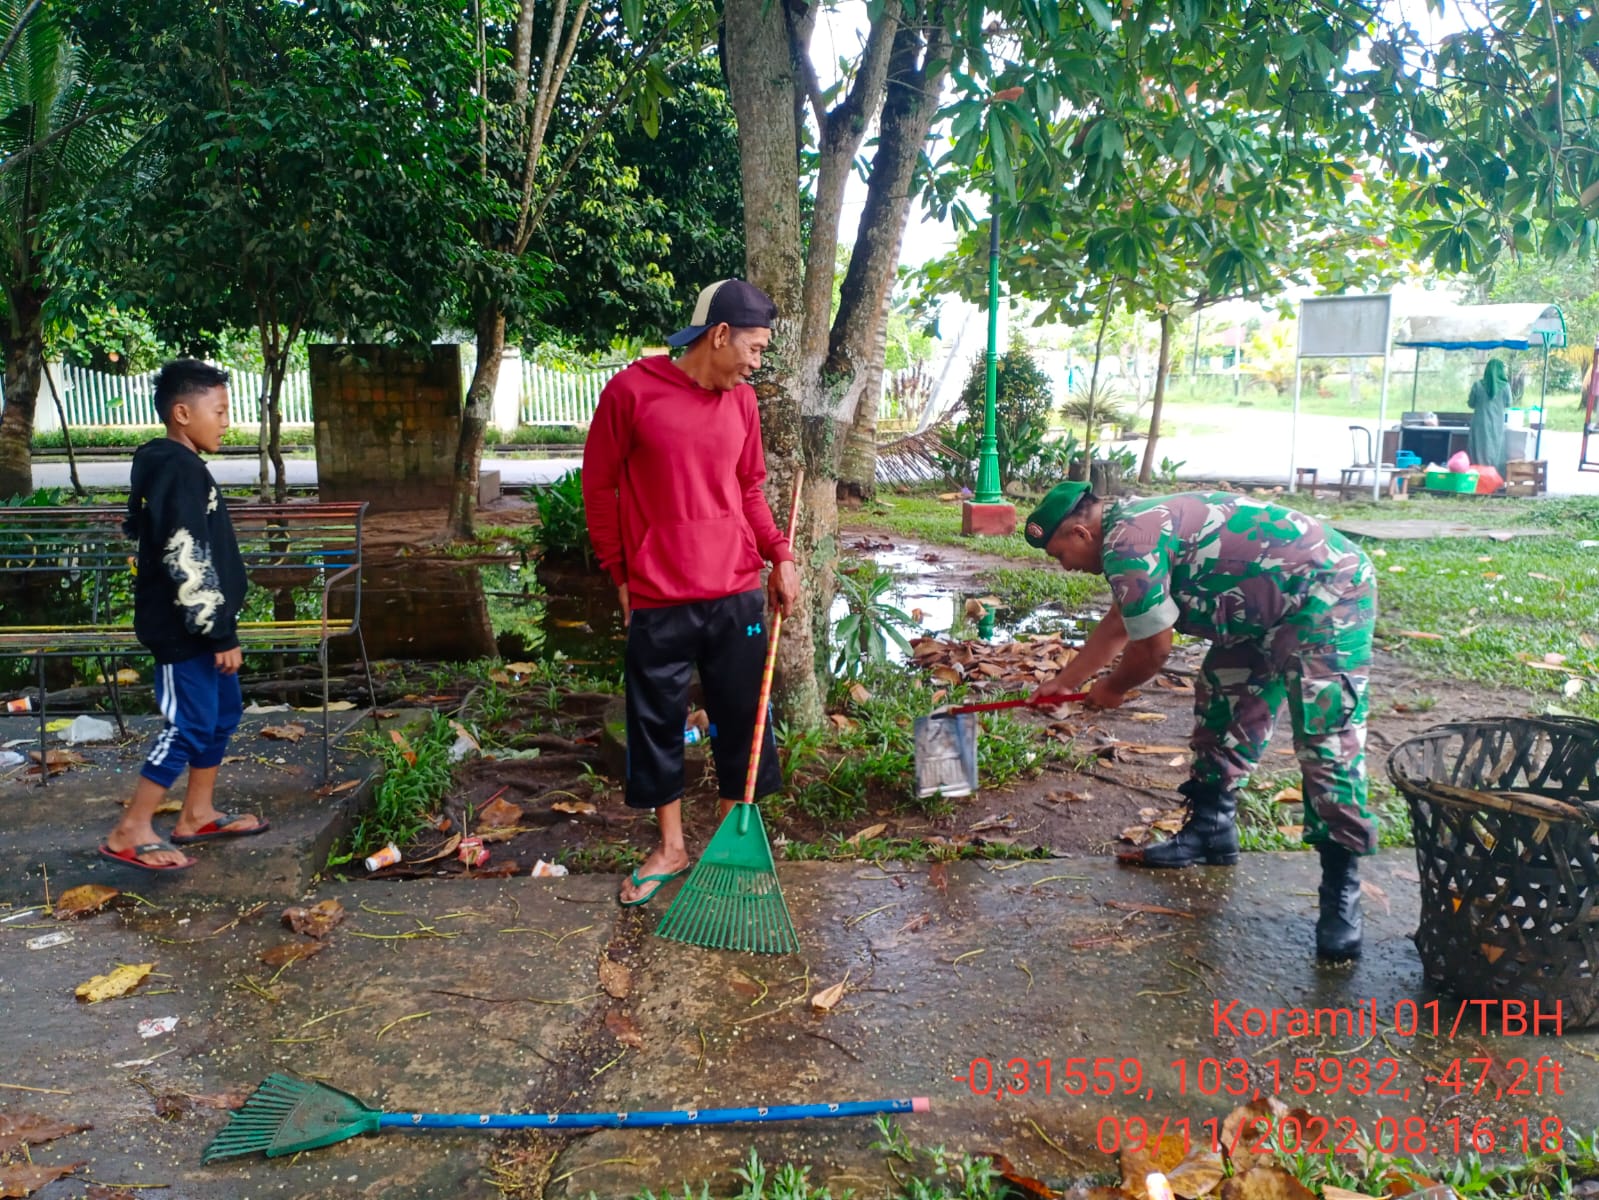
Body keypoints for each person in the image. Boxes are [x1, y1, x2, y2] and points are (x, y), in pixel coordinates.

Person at [1027, 482, 1377, 961]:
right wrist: (1067, 681)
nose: (1062, 564)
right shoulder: (1128, 531)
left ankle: (1342, 888)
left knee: (1326, 739)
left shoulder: (1128, 543)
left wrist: (1110, 690)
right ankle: (1212, 829)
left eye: (1058, 553)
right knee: (1223, 701)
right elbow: (1122, 621)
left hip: (1326, 593)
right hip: (1257, 609)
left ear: (1082, 534)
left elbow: (1153, 649)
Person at [583, 280, 800, 907]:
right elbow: (600, 490)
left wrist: (779, 555)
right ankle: (672, 846)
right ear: (720, 334)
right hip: (658, 593)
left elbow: (751, 490)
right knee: (656, 724)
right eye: (755, 349)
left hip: (735, 591)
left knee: (743, 717)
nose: (757, 363)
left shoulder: (743, 404)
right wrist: (620, 574)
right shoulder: (631, 392)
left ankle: (733, 839)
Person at [101, 360, 268, 871]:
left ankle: (196, 814)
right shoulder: (174, 468)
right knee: (190, 724)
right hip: (185, 631)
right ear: (181, 413)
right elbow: (185, 554)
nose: (225, 421)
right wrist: (217, 633)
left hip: (207, 626)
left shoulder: (183, 465)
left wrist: (223, 628)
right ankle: (130, 829)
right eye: (218, 411)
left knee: (220, 716)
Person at [1467, 358, 1511, 475]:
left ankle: (1478, 477)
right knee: (1495, 450)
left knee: (1478, 448)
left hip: (1479, 424)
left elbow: (1471, 404)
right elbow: (1508, 403)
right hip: (1497, 424)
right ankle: (1495, 477)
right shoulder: (1505, 387)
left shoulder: (1477, 385)